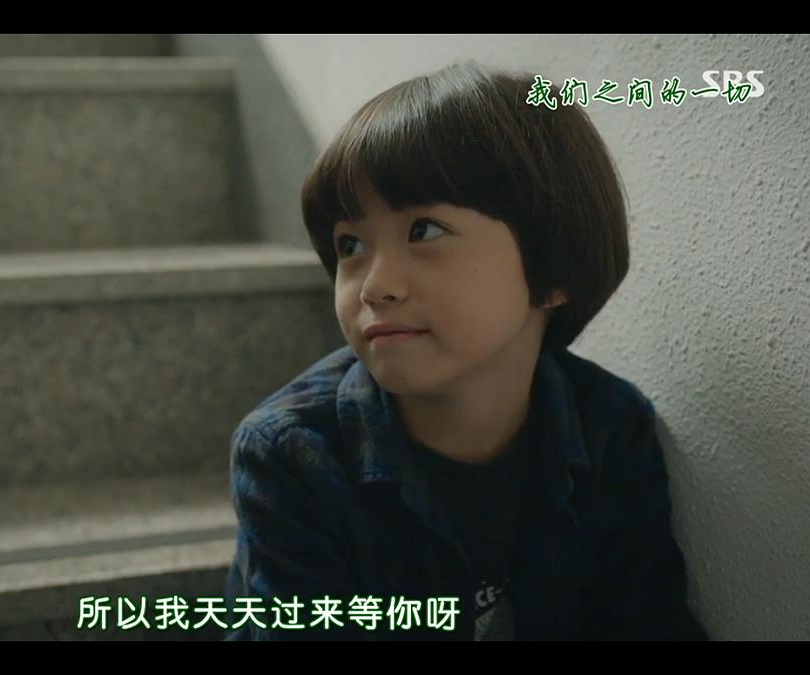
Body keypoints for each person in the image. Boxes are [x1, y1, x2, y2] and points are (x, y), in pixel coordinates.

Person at [221, 61, 708, 640]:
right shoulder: (293, 454)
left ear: (553, 269)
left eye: (424, 231)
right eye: (350, 245)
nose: (374, 285)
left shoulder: (610, 426)